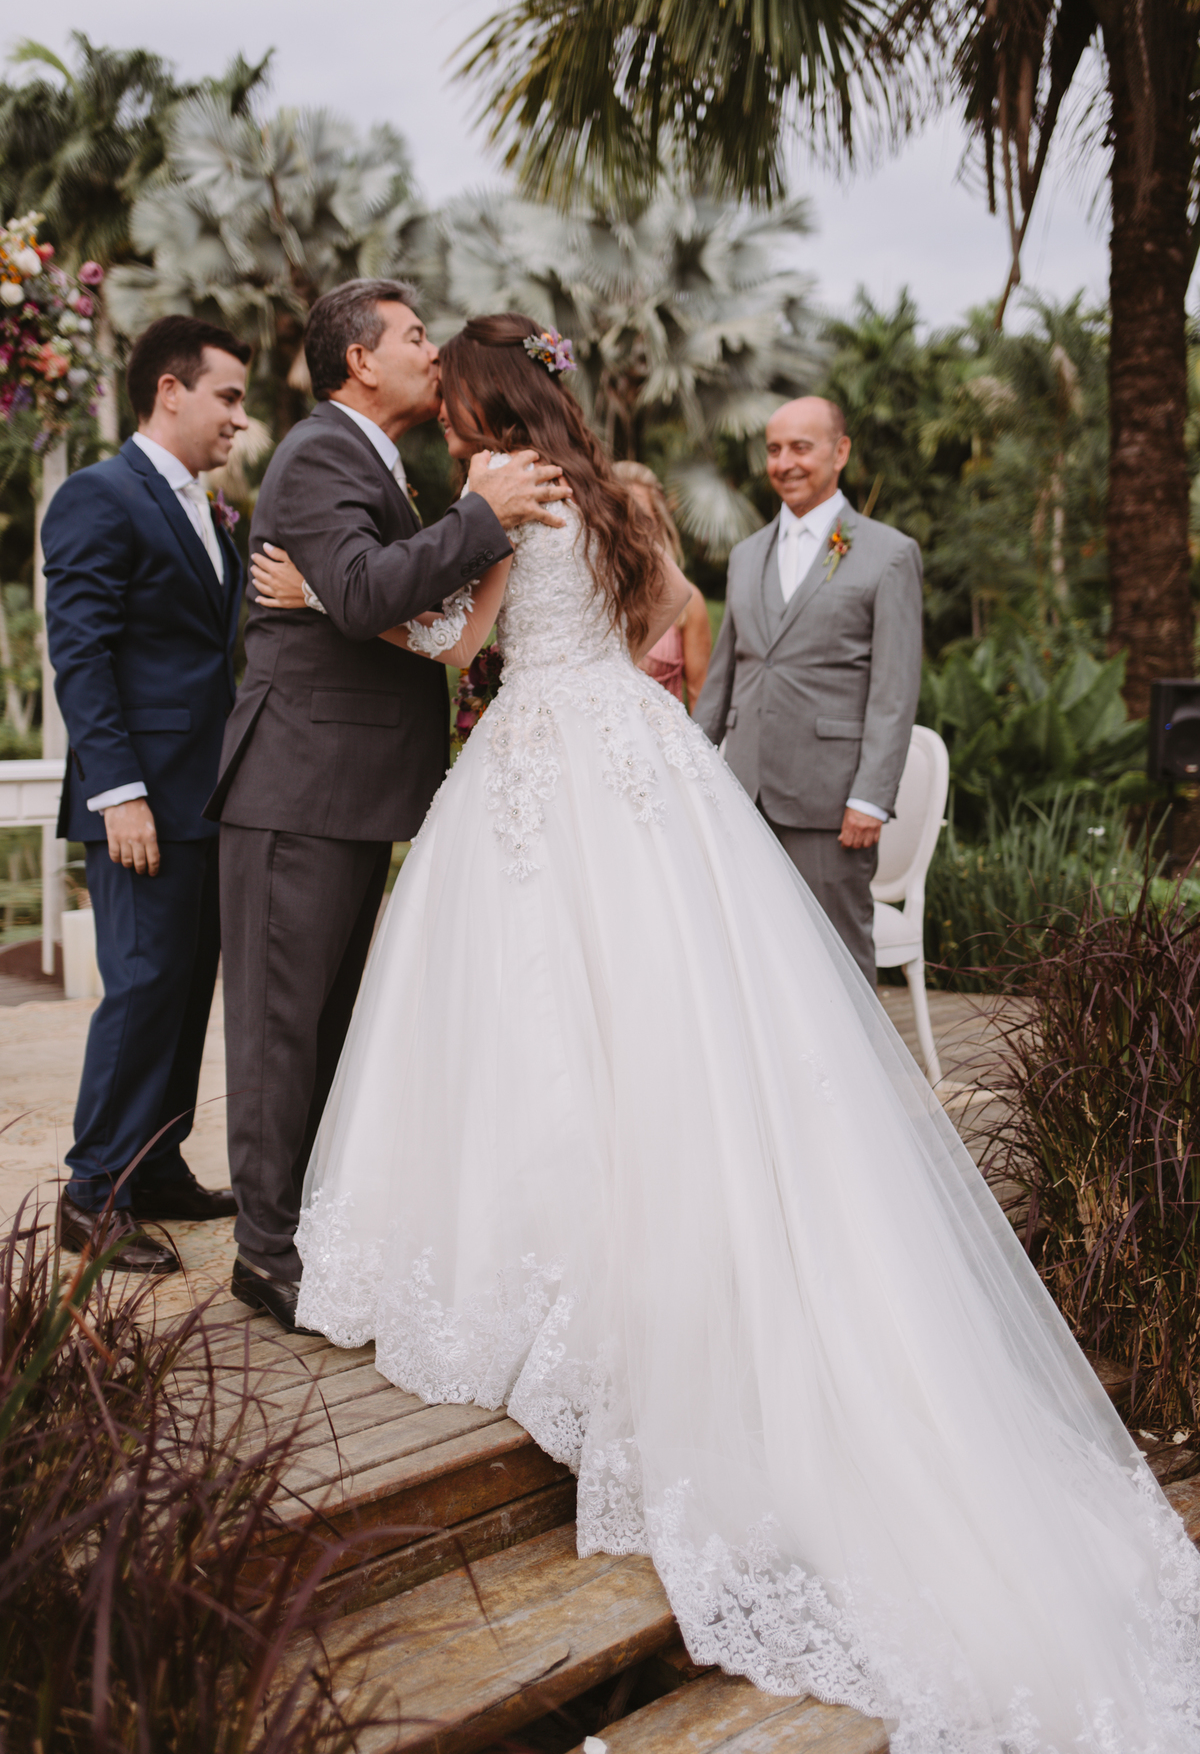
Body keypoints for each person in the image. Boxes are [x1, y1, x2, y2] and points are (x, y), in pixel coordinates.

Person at [250, 311, 1200, 1750]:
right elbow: (680, 620)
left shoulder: (501, 502)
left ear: (488, 409)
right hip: (637, 762)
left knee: (535, 1008)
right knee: (672, 999)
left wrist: (320, 596)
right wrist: (622, 679)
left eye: (456, 397)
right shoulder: (619, 492)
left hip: (540, 761)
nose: (444, 413)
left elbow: (451, 647)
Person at [204, 279, 571, 1334]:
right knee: (282, 1030)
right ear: (359, 359)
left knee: (325, 1024)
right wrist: (479, 515)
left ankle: (308, 1229)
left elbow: (384, 605)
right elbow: (370, 592)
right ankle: (267, 1255)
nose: (432, 352)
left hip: (351, 790)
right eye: (415, 336)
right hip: (298, 785)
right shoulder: (320, 453)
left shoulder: (378, 464)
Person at [43, 315, 250, 1272]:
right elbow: (80, 654)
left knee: (181, 988)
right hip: (139, 800)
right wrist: (118, 791)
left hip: (205, 797)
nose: (240, 420)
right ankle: (93, 1193)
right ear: (171, 389)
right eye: (229, 397)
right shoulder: (99, 496)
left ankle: (156, 1165)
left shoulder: (211, 511)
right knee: (139, 990)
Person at [693, 399, 923, 986]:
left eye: (802, 447)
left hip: (831, 801)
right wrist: (690, 772)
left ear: (840, 452)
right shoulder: (746, 556)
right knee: (752, 960)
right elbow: (724, 676)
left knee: (838, 963)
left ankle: (858, 1079)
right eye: (774, 449)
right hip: (743, 798)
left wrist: (870, 798)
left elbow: (894, 690)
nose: (785, 462)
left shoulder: (889, 554)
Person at [613, 461, 711, 710]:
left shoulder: (688, 602)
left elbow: (701, 697)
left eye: (640, 517)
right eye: (617, 514)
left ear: (657, 523)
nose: (629, 527)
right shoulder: (581, 595)